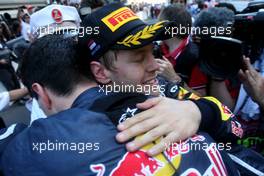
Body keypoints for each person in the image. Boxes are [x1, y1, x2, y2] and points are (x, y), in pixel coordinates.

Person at [0, 34, 239, 176]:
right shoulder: (169, 101)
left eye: (151, 54)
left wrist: (198, 110)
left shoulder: (37, 144)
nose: (154, 66)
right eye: (138, 57)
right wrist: (201, 111)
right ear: (97, 72)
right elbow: (237, 138)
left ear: (40, 93)